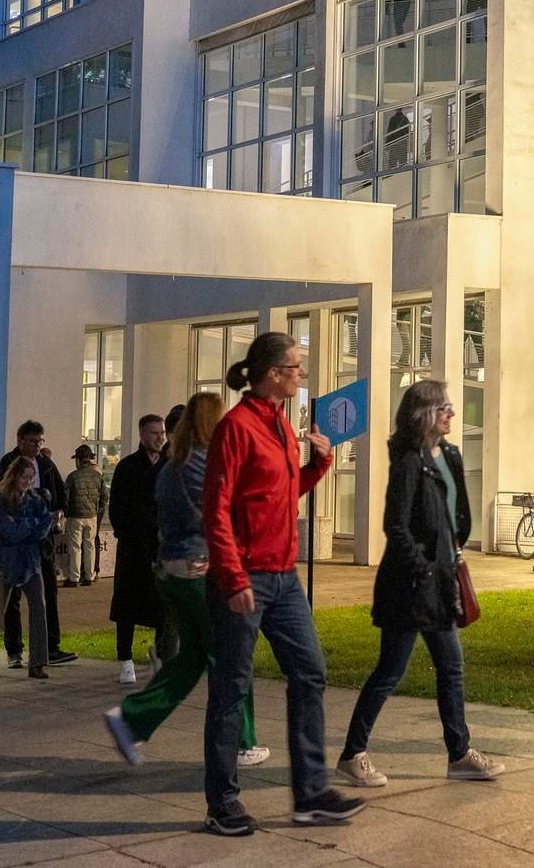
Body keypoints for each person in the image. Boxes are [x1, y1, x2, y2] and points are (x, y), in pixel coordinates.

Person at [201, 331, 360, 836]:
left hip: (283, 577)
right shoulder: (237, 428)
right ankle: (222, 803)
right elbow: (217, 510)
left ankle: (311, 795)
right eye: (296, 367)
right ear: (273, 373)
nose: (301, 375)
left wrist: (319, 464)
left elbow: (280, 494)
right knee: (231, 688)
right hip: (245, 578)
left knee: (310, 671)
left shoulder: (279, 423)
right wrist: (232, 576)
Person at [335, 379, 502, 787]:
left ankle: (459, 754)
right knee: (390, 671)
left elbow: (457, 512)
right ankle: (353, 753)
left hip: (441, 582)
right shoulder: (408, 462)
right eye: (444, 407)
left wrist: (454, 547)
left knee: (452, 667)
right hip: (410, 586)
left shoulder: (450, 455)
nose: (452, 413)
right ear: (424, 414)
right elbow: (395, 525)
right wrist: (422, 568)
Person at [103, 392, 268, 771]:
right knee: (231, 655)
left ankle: (131, 720)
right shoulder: (204, 464)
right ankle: (242, 741)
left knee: (192, 657)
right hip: (201, 570)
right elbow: (223, 513)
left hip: (174, 571)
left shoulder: (171, 466)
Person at [0, 421, 78, 667]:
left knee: (46, 594)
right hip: (16, 544)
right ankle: (14, 650)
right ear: (21, 440)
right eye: (33, 441)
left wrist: (59, 511)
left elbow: (61, 495)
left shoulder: (45, 464)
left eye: (40, 441)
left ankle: (47, 649)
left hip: (42, 542)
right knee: (11, 596)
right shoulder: (8, 463)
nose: (37, 446)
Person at [108, 412, 168, 684]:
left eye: (162, 433)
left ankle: (161, 653)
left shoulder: (168, 467)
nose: (160, 438)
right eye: (154, 433)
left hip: (160, 546)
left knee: (162, 605)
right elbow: (118, 509)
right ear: (143, 435)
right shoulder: (127, 468)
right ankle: (126, 659)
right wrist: (131, 531)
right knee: (128, 604)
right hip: (134, 546)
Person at [0, 455, 56, 675]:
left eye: (31, 477)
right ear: (14, 476)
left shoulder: (34, 499)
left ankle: (38, 662)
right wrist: (32, 526)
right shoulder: (1, 500)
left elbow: (45, 525)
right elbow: (9, 532)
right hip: (7, 562)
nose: (28, 481)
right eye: (24, 477)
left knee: (38, 606)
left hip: (30, 561)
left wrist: (28, 526)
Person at [65, 445, 105, 586]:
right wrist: (98, 511)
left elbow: (66, 499)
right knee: (90, 547)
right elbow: (104, 497)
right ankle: (89, 576)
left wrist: (65, 512)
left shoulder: (72, 477)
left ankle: (74, 578)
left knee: (75, 548)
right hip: (92, 516)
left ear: (79, 460)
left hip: (75, 516)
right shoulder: (98, 476)